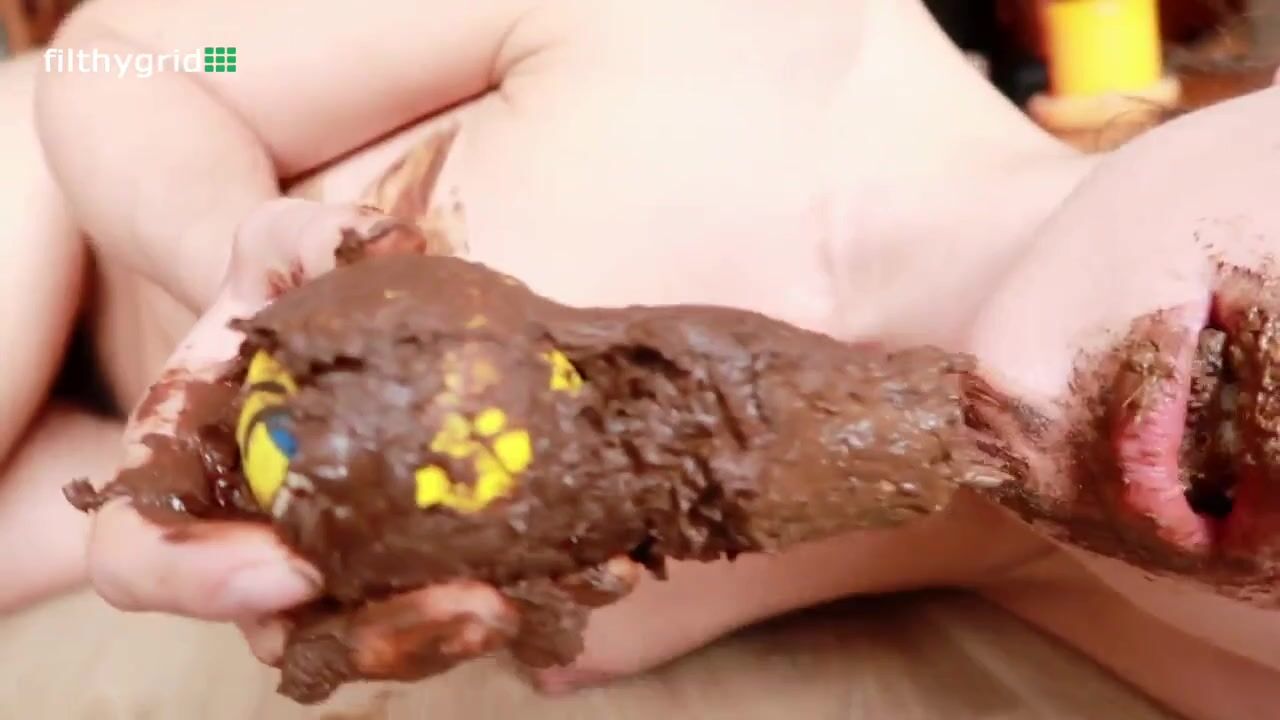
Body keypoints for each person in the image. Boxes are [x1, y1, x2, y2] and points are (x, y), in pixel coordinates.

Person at [2, 0, 1278, 717]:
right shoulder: (735, 29)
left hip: (127, 495)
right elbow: (135, 57)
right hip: (58, 222)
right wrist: (226, 247)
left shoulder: (1108, 574)